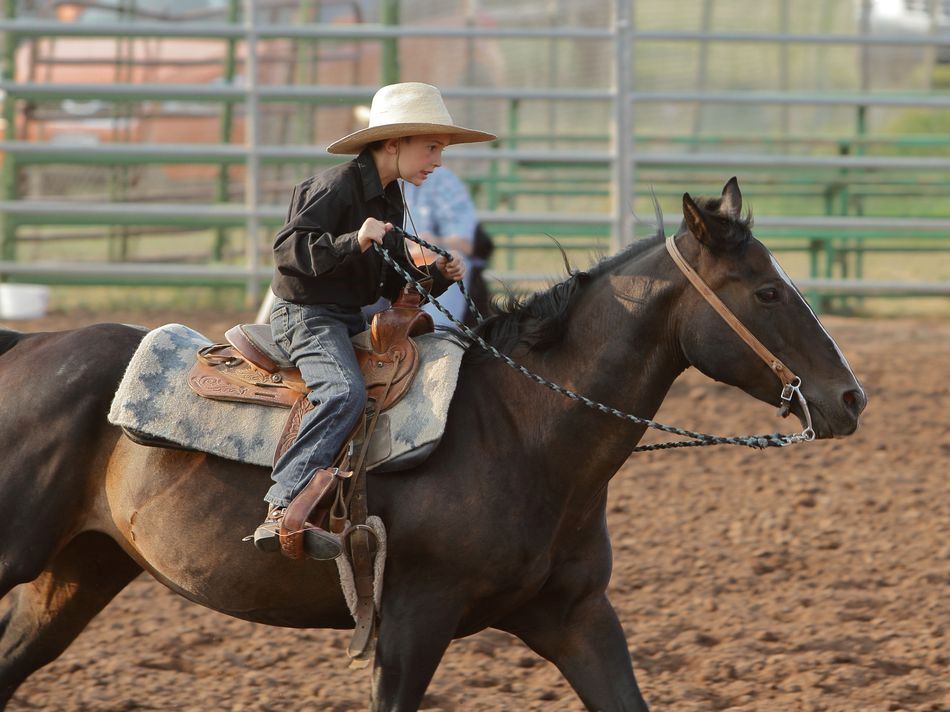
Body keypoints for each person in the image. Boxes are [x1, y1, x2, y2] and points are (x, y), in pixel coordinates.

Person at [254, 82, 496, 558]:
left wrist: (435, 277)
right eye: (431, 147)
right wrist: (353, 240)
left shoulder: (389, 198)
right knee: (343, 391)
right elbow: (286, 252)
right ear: (393, 143)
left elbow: (389, 287)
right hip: (307, 314)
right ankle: (281, 506)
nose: (438, 161)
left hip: (346, 314)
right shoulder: (335, 185)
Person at [401, 166, 479, 327]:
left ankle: (436, 332)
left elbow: (465, 244)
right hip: (394, 271)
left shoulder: (442, 181)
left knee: (452, 265)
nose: (437, 161)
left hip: (429, 266)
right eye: (431, 148)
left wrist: (435, 241)